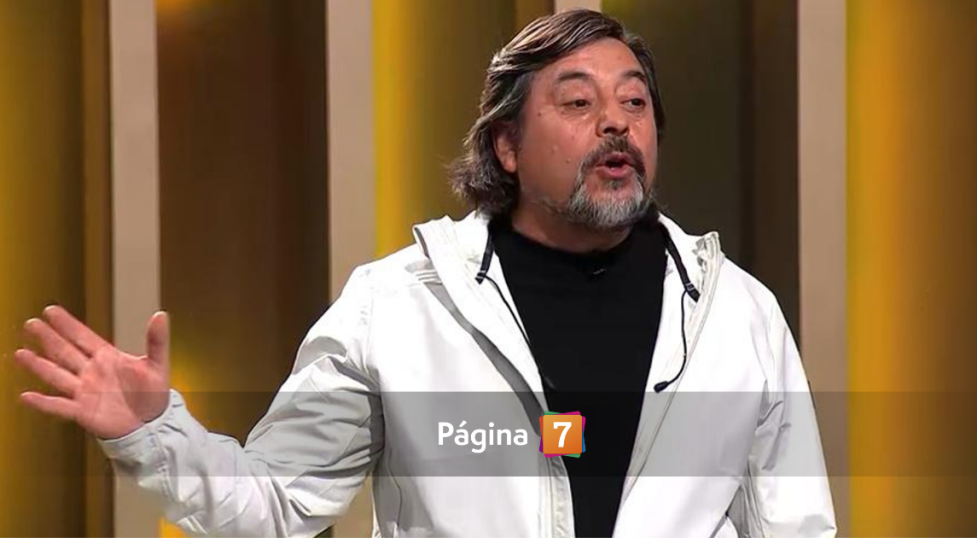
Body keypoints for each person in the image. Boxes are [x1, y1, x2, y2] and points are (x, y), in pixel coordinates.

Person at [11, 9, 836, 538]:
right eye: (579, 103)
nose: (616, 123)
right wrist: (154, 433)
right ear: (507, 146)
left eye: (635, 102)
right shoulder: (397, 307)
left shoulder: (736, 313)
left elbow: (796, 527)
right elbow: (276, 506)